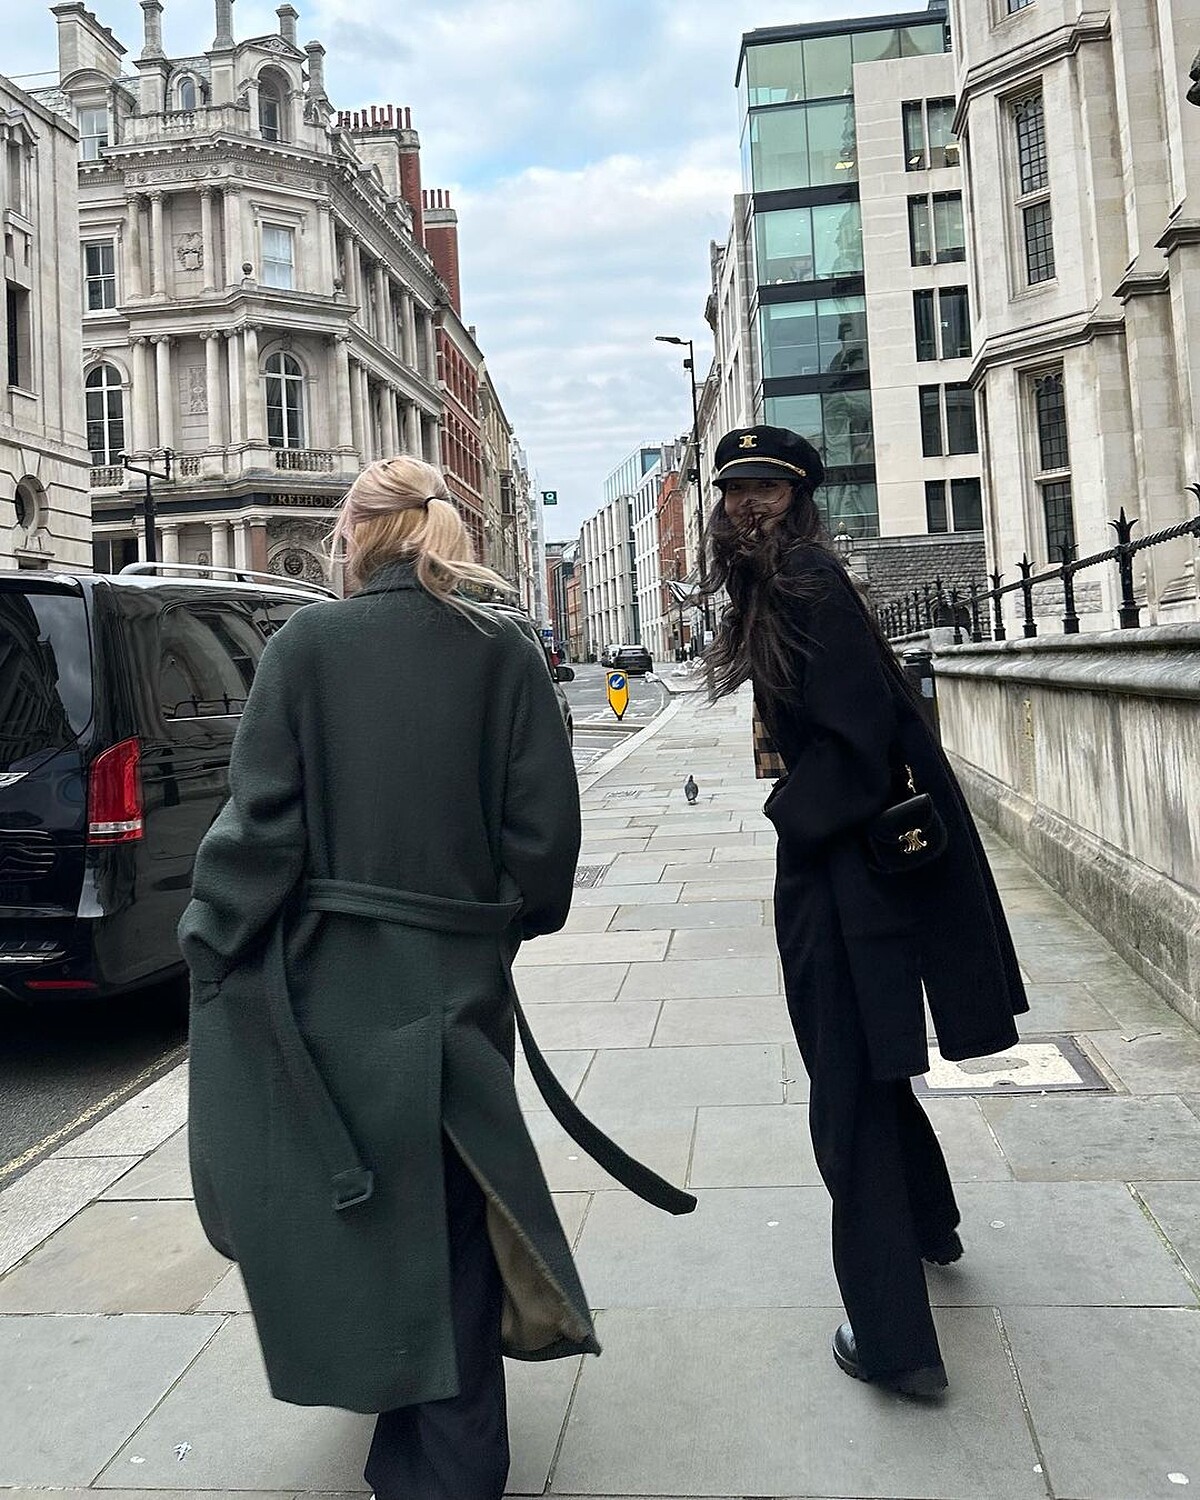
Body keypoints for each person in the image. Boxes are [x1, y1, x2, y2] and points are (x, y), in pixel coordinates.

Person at [179, 455, 693, 1500]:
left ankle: (449, 1470)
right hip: (459, 983)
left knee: (374, 1218)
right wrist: (486, 930)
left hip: (328, 988)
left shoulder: (305, 646)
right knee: (455, 1213)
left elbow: (259, 832)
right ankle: (429, 1455)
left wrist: (210, 937)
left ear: (357, 534)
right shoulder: (504, 649)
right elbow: (543, 847)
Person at [704, 425, 1027, 1397]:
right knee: (867, 1062)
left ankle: (894, 1343)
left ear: (797, 499)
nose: (746, 504)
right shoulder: (784, 581)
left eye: (765, 490)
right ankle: (930, 1224)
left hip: (846, 874)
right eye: (734, 489)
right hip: (855, 867)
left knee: (844, 1088)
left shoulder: (804, 582)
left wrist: (790, 817)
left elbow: (857, 739)